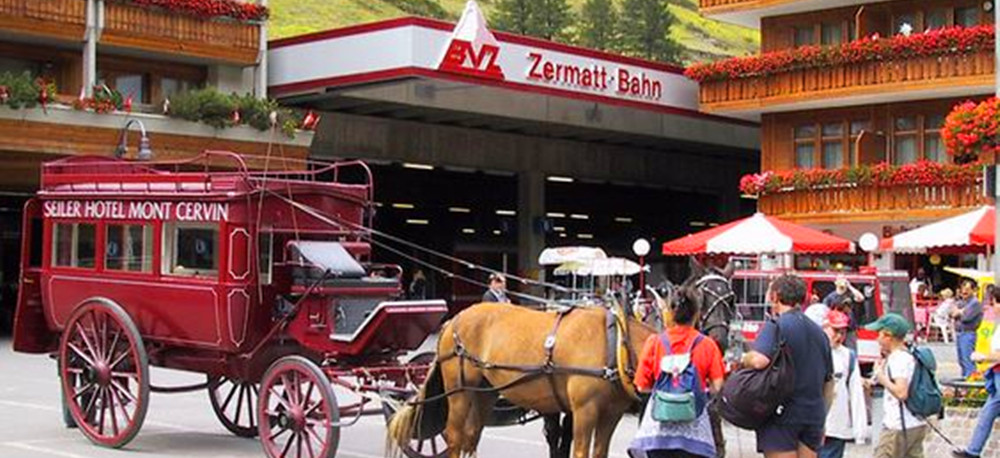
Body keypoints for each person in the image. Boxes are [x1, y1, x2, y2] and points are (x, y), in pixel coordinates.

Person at [742, 274, 834, 458]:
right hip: (813, 414)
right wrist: (822, 418)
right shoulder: (820, 334)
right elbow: (829, 382)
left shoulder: (776, 325)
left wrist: (745, 357)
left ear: (775, 296)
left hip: (782, 414)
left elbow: (760, 360)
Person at [630, 285, 726, 458]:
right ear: (697, 314)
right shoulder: (707, 345)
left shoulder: (655, 342)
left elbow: (641, 387)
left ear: (671, 313)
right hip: (695, 435)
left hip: (658, 433)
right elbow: (717, 387)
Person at [865, 313, 925, 458]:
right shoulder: (909, 355)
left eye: (878, 333)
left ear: (888, 336)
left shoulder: (898, 359)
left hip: (898, 426)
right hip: (916, 423)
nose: (876, 338)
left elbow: (901, 392)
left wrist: (881, 377)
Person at [952, 287, 1000, 458]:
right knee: (987, 414)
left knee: (988, 412)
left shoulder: (974, 306)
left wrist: (984, 357)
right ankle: (973, 451)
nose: (992, 308)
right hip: (995, 373)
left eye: (993, 303)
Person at [818, 311, 868, 458]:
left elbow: (856, 394)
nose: (839, 336)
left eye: (843, 332)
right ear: (824, 327)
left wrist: (860, 431)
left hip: (837, 427)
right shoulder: (813, 352)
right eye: (835, 330)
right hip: (813, 427)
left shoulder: (848, 356)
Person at [951, 279, 983, 378]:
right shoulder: (961, 302)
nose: (964, 291)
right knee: (961, 361)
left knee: (968, 360)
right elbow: (952, 313)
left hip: (968, 334)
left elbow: (966, 318)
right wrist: (960, 311)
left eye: (968, 289)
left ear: (973, 290)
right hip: (959, 333)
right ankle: (964, 383)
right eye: (963, 289)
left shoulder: (975, 303)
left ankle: (971, 386)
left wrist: (959, 312)